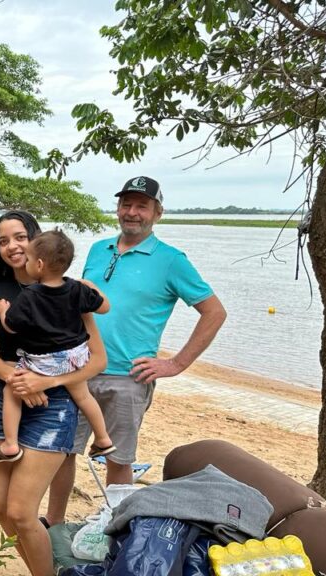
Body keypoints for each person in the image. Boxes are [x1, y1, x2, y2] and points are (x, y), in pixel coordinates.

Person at [45, 176, 227, 526]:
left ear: (157, 213)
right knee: (62, 452)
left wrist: (176, 363)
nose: (132, 212)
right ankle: (53, 524)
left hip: (128, 378)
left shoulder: (172, 260)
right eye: (126, 204)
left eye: (141, 206)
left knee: (119, 458)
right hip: (78, 370)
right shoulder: (99, 250)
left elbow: (214, 312)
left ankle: (116, 531)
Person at [0, 211, 110, 576]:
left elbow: (97, 360)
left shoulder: (70, 290)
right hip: (7, 402)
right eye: (2, 241)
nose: (12, 246)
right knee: (0, 507)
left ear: (36, 241)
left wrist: (43, 382)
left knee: (22, 510)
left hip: (55, 405)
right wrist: (17, 378)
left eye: (19, 237)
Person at [0, 229, 114, 463]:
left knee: (10, 392)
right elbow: (104, 308)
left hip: (43, 361)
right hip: (75, 357)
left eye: (27, 259)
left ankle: (10, 444)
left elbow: (12, 327)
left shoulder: (30, 296)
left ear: (38, 264)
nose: (24, 263)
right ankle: (103, 439)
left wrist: (3, 311)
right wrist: (87, 285)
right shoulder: (77, 289)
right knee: (84, 396)